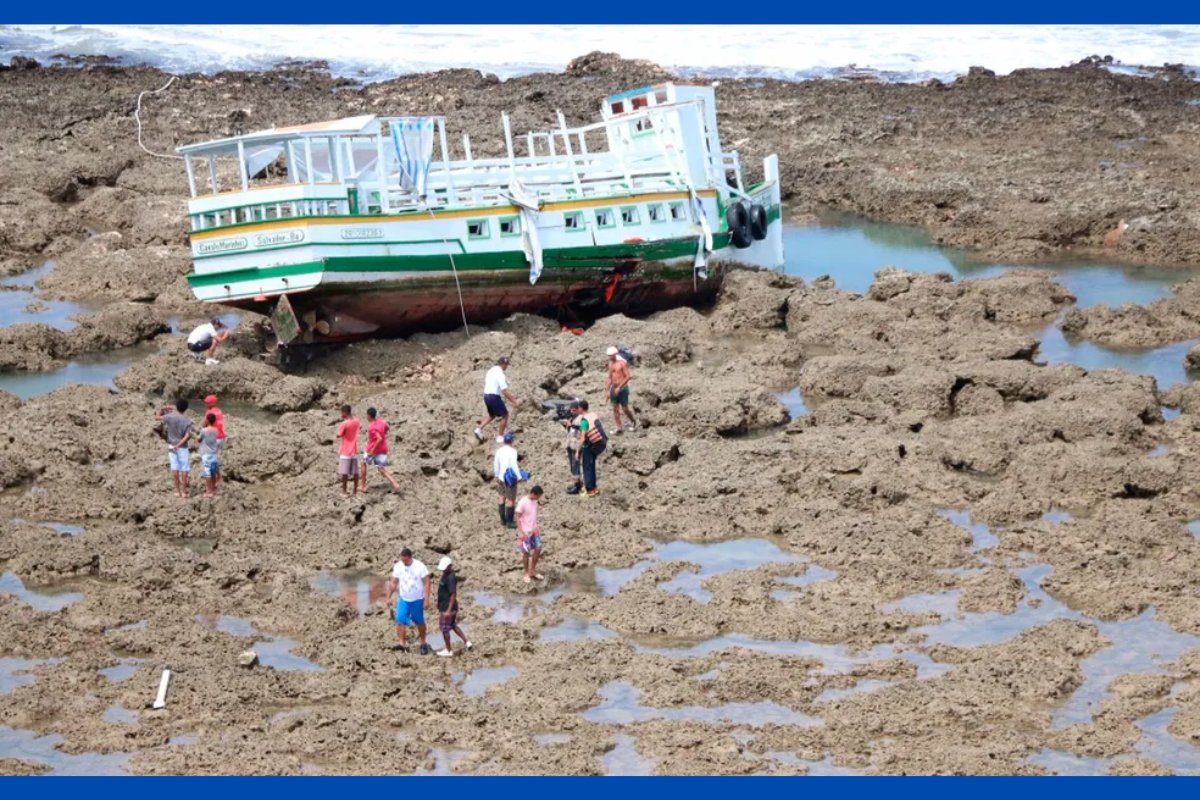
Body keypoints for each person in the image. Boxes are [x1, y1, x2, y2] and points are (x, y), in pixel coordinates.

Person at [386, 548, 432, 655]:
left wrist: (426, 599)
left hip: (417, 600)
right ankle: (402, 644)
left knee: (419, 621)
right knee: (400, 620)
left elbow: (427, 583)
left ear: (410, 557)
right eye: (402, 560)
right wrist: (388, 597)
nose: (404, 563)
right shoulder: (398, 566)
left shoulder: (420, 566)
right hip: (403, 599)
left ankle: (423, 642)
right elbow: (393, 583)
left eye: (406, 561)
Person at [155, 399, 195, 498]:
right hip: (182, 447)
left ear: (176, 406)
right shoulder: (187, 420)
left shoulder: (170, 416)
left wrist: (162, 408)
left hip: (171, 445)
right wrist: (179, 444)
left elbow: (157, 417)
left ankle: (177, 490)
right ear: (186, 409)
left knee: (175, 468)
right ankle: (184, 492)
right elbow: (188, 436)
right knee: (184, 469)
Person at [474, 356, 519, 444]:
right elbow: (504, 390)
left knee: (492, 415)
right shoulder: (500, 373)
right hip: (494, 396)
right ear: (504, 365)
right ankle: (500, 437)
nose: (507, 367)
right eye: (506, 365)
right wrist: (514, 401)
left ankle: (479, 429)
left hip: (486, 395)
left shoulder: (491, 370)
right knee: (505, 415)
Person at [434, 556, 472, 657]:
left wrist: (448, 611)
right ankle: (467, 642)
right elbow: (442, 591)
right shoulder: (445, 575)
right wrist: (438, 601)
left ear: (449, 566)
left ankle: (448, 650)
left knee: (445, 629)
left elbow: (453, 594)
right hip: (444, 605)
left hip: (448, 608)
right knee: (453, 625)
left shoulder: (450, 577)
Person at [360, 407, 401, 493]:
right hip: (383, 449)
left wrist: (372, 451)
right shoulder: (382, 421)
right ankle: (395, 484)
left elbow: (379, 439)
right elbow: (387, 426)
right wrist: (384, 432)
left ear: (369, 416)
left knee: (363, 463)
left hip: (373, 450)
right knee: (381, 469)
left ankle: (363, 486)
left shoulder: (371, 427)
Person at [574, 400, 606, 498]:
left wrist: (577, 451)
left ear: (581, 408)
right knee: (592, 466)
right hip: (596, 444)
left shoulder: (584, 420)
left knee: (587, 467)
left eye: (578, 407)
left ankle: (589, 490)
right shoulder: (592, 414)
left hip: (588, 446)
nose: (577, 409)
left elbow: (583, 438)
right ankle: (594, 488)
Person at [604, 346, 638, 434]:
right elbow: (609, 377)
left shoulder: (622, 363)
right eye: (609, 355)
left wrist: (619, 387)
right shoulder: (610, 364)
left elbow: (627, 376)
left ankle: (633, 421)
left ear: (615, 354)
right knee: (615, 408)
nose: (610, 357)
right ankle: (618, 427)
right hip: (613, 388)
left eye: (611, 355)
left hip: (622, 388)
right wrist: (606, 390)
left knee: (625, 408)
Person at [515, 486, 545, 583]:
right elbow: (517, 516)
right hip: (525, 531)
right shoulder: (523, 502)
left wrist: (536, 527)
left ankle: (533, 570)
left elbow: (533, 516)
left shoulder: (535, 502)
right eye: (538, 496)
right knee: (526, 552)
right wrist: (520, 531)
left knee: (538, 548)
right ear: (533, 494)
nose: (538, 499)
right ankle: (526, 573)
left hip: (534, 530)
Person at [492, 432, 520, 529]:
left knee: (501, 497)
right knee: (511, 499)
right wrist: (519, 476)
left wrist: (496, 474)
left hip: (500, 477)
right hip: (510, 478)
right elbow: (514, 465)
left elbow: (496, 464)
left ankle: (502, 519)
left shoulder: (499, 451)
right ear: (511, 441)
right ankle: (509, 521)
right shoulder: (513, 451)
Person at [335, 405, 361, 496]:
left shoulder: (344, 423)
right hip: (354, 449)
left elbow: (338, 435)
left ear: (345, 412)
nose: (341, 414)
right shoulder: (357, 420)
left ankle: (344, 492)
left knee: (344, 473)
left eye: (342, 412)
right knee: (355, 472)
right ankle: (355, 491)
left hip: (345, 450)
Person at [562, 398, 585, 495]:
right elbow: (570, 431)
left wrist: (571, 425)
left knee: (575, 465)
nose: (571, 411)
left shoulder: (582, 419)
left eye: (573, 409)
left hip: (576, 445)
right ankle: (576, 482)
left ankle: (577, 486)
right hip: (570, 444)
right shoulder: (572, 418)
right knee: (572, 465)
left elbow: (582, 432)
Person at [198, 412, 221, 498]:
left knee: (207, 473)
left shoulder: (204, 430)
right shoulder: (216, 430)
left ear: (207, 420)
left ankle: (209, 491)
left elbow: (199, 439)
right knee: (213, 472)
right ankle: (214, 488)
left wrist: (203, 426)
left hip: (206, 454)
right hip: (214, 453)